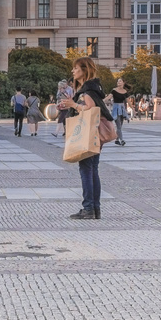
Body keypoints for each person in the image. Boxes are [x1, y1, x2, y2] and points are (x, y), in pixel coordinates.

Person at [69, 57, 108, 221]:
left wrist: (73, 105)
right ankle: (94, 208)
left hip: (88, 134)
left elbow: (91, 110)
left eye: (76, 68)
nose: (73, 71)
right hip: (95, 134)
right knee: (93, 170)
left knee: (86, 170)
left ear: (84, 70)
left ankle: (88, 208)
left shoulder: (88, 90)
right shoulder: (94, 88)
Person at [110, 78, 130, 146]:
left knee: (120, 126)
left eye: (120, 81)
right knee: (118, 126)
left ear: (123, 83)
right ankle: (121, 140)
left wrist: (133, 109)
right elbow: (109, 97)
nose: (119, 82)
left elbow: (128, 101)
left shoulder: (125, 92)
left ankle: (116, 140)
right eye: (118, 81)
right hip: (116, 109)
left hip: (122, 109)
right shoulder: (114, 90)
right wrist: (102, 101)